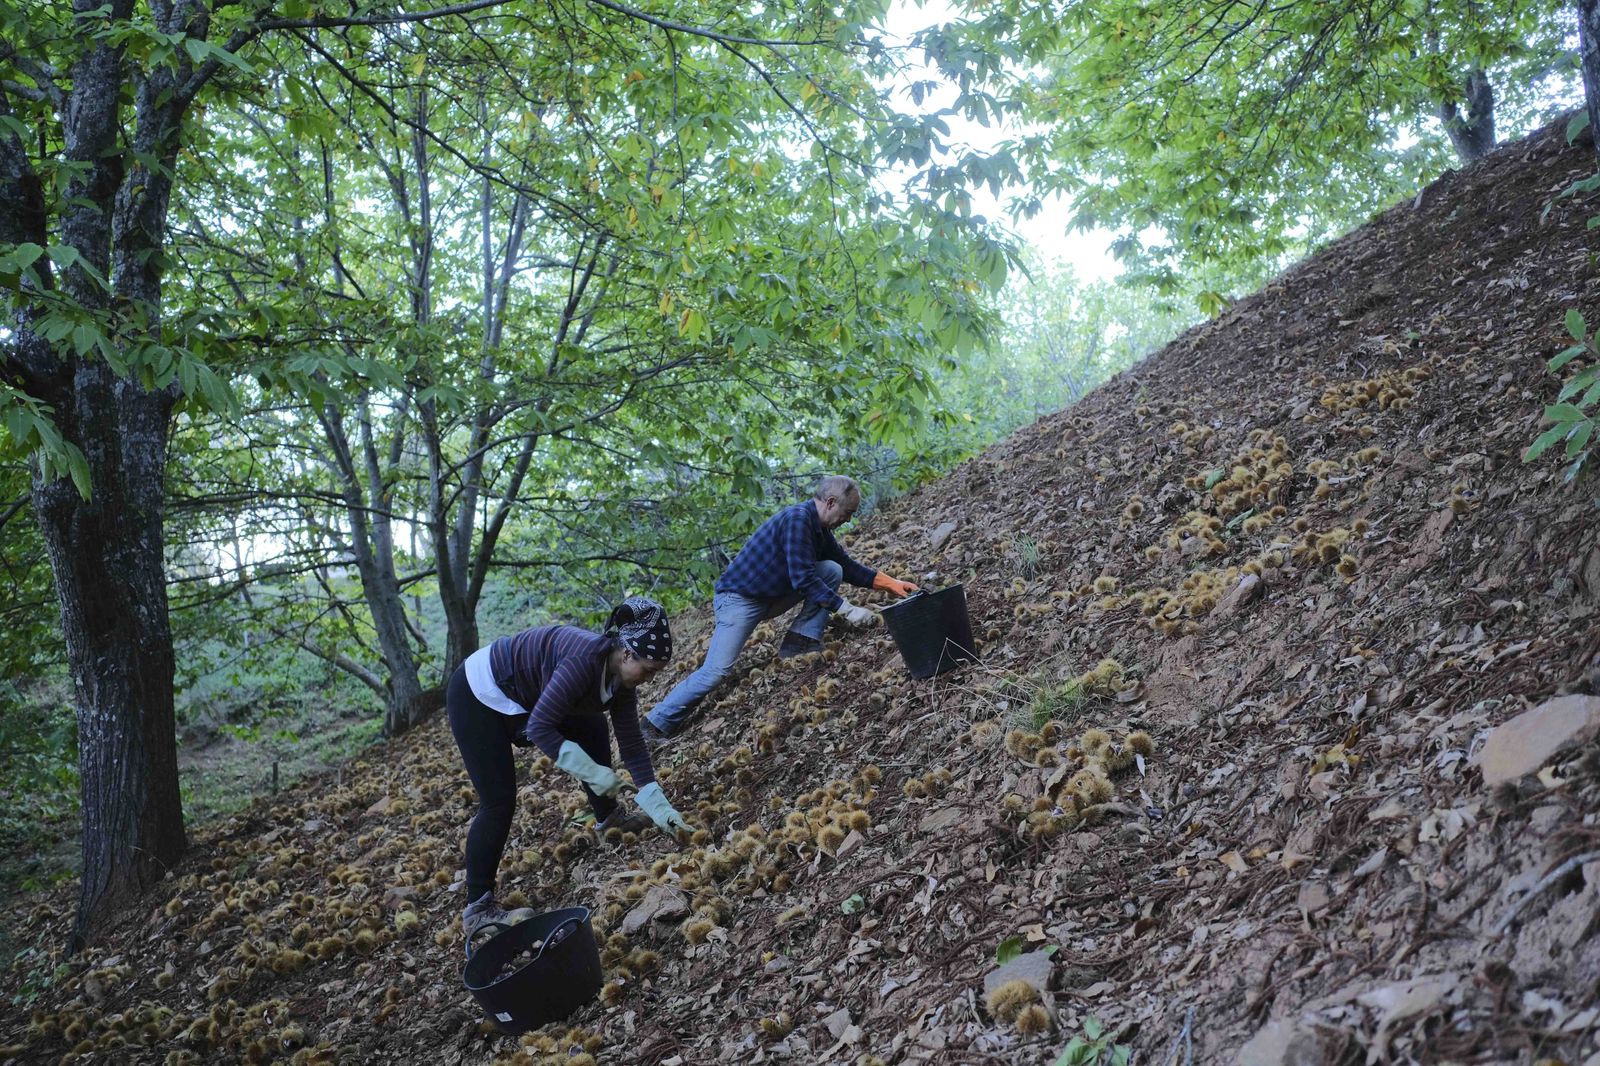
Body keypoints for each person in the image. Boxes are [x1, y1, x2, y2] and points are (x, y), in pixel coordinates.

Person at [448, 595, 691, 942]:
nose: (650, 679)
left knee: (592, 726)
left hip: (525, 694)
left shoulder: (620, 679)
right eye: (649, 670)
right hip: (478, 694)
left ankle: (610, 819)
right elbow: (540, 727)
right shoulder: (581, 663)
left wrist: (656, 801)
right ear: (626, 654)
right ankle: (478, 908)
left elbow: (632, 742)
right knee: (498, 800)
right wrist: (592, 772)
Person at [643, 475, 918, 741]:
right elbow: (803, 578)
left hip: (771, 595)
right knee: (716, 671)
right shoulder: (797, 520)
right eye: (848, 512)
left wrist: (891, 584)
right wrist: (847, 609)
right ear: (831, 502)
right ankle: (657, 722)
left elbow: (846, 567)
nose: (848, 520)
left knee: (831, 569)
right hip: (738, 601)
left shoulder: (819, 529)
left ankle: (800, 642)